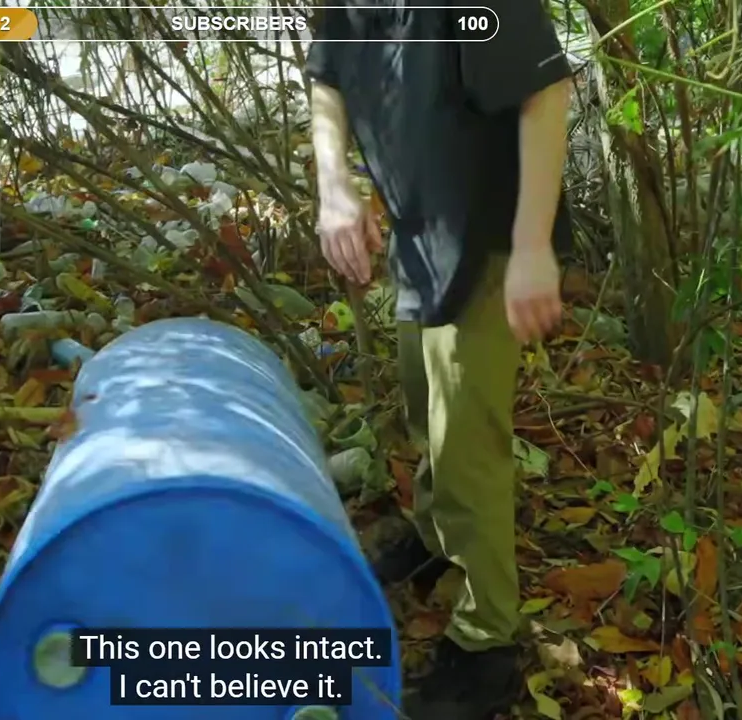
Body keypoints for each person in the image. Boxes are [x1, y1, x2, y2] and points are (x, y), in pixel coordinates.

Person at [306, 1, 574, 717]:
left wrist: (532, 248)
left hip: (490, 238)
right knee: (424, 405)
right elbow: (327, 76)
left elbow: (546, 92)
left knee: (466, 448)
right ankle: (434, 540)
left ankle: (488, 642)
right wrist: (335, 185)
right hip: (420, 236)